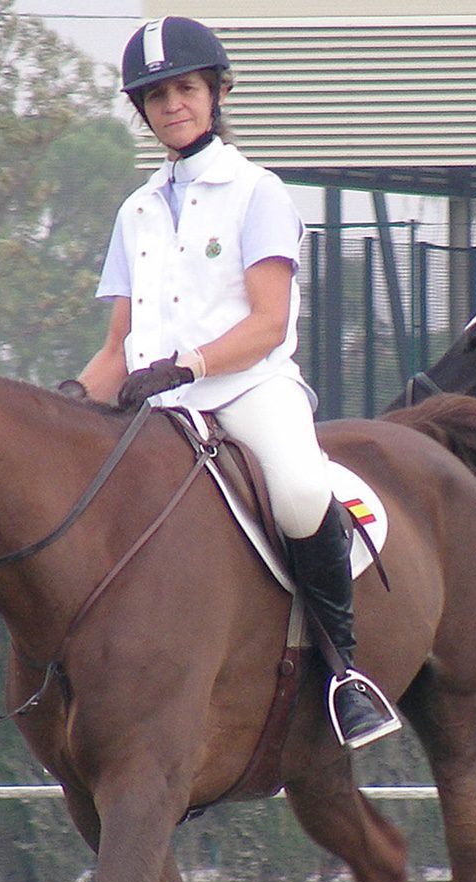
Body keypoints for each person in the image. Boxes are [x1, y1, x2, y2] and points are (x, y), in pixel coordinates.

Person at [74, 16, 400, 749]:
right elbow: (117, 347)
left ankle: (345, 670)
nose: (171, 105)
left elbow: (267, 321)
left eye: (184, 89)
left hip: (248, 391)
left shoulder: (258, 193)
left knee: (299, 490)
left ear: (215, 93)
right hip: (157, 405)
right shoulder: (135, 213)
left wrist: (187, 365)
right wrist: (67, 400)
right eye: (155, 96)